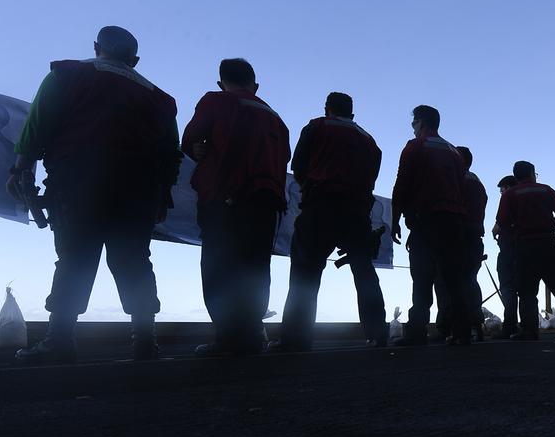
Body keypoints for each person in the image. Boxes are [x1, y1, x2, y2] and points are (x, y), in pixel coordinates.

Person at [9, 26, 182, 363]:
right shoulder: (161, 99)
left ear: (95, 47)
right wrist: (162, 196)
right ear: (134, 60)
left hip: (77, 182)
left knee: (74, 258)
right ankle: (145, 341)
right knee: (133, 261)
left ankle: (59, 339)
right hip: (139, 191)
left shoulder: (67, 74)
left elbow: (37, 123)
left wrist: (20, 169)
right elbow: (170, 154)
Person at [181, 58, 291, 356]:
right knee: (256, 268)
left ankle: (228, 339)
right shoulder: (276, 118)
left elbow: (189, 140)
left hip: (225, 198)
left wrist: (198, 149)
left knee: (219, 267)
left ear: (221, 82)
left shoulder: (216, 101)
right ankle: (252, 334)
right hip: (267, 202)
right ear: (255, 85)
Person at [278, 92, 388, 351]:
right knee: (364, 271)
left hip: (320, 206)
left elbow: (299, 165)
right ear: (352, 113)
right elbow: (371, 177)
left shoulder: (316, 126)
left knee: (305, 272)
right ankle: (377, 332)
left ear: (327, 109)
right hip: (356, 211)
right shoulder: (369, 141)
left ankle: (296, 338)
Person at [391, 105, 470, 346]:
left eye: (414, 124)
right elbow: (462, 188)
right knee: (454, 279)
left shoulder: (415, 146)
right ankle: (462, 332)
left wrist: (394, 218)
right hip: (453, 222)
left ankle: (416, 331)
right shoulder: (454, 152)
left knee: (422, 277)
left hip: (426, 221)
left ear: (422, 123)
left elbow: (402, 183)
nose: (413, 129)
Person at [493, 161, 555, 341]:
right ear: (533, 174)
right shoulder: (546, 190)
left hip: (525, 245)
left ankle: (529, 329)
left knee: (527, 290)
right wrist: (550, 226)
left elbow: (502, 221)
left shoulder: (510, 194)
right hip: (548, 242)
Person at [456, 146, 488, 341]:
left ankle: (453, 328)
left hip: (457, 235)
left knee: (450, 282)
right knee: (470, 281)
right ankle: (477, 324)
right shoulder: (477, 182)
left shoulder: (457, 179)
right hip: (475, 236)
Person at [493, 175, 518, 337]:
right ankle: (529, 326)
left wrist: (495, 231)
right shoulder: (528, 200)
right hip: (525, 249)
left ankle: (509, 326)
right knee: (526, 291)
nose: (501, 192)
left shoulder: (508, 199)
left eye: (502, 189)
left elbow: (499, 223)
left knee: (508, 289)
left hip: (508, 250)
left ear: (508, 187)